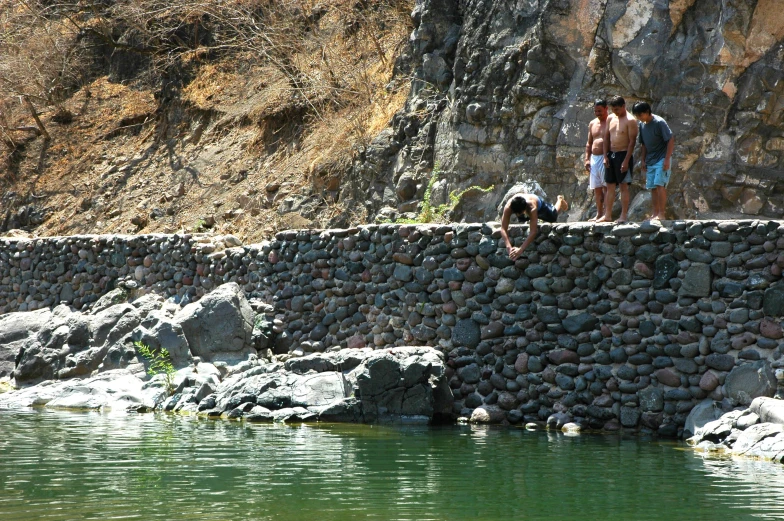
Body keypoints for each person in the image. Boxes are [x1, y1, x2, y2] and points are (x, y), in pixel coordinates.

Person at [597, 95, 637, 224]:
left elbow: (632, 142)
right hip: (611, 155)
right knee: (609, 186)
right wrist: (605, 156)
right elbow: (606, 138)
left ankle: (623, 215)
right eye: (613, 110)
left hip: (623, 154)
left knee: (623, 186)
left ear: (624, 106)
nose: (615, 112)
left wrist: (626, 161)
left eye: (617, 110)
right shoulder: (610, 118)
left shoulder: (630, 120)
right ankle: (607, 215)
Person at [632, 101, 674, 221]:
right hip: (650, 159)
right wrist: (643, 160)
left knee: (660, 185)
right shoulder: (642, 124)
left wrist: (667, 159)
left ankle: (662, 214)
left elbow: (670, 140)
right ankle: (655, 214)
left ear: (646, 112)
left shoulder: (659, 122)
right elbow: (643, 144)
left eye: (640, 115)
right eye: (637, 116)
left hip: (662, 158)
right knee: (652, 187)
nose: (639, 118)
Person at [499, 193, 568, 260]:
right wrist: (508, 247)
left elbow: (533, 231)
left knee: (553, 217)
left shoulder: (532, 207)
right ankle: (526, 216)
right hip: (522, 207)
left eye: (520, 213)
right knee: (522, 218)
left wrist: (521, 249)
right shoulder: (508, 207)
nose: (518, 215)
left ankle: (560, 200)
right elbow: (503, 228)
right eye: (516, 213)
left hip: (539, 206)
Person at [584, 99, 608, 221]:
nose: (597, 113)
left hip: (605, 158)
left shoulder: (610, 122)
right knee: (597, 188)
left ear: (606, 109)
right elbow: (589, 143)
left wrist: (606, 157)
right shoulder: (592, 123)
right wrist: (586, 159)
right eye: (595, 111)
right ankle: (599, 214)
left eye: (599, 111)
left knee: (606, 187)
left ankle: (606, 214)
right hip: (594, 158)